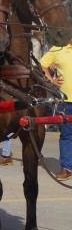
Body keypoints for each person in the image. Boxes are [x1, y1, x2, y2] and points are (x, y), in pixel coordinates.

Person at [40, 42, 72, 180]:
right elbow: (41, 65)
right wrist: (51, 80)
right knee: (67, 135)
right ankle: (67, 168)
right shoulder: (58, 49)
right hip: (66, 102)